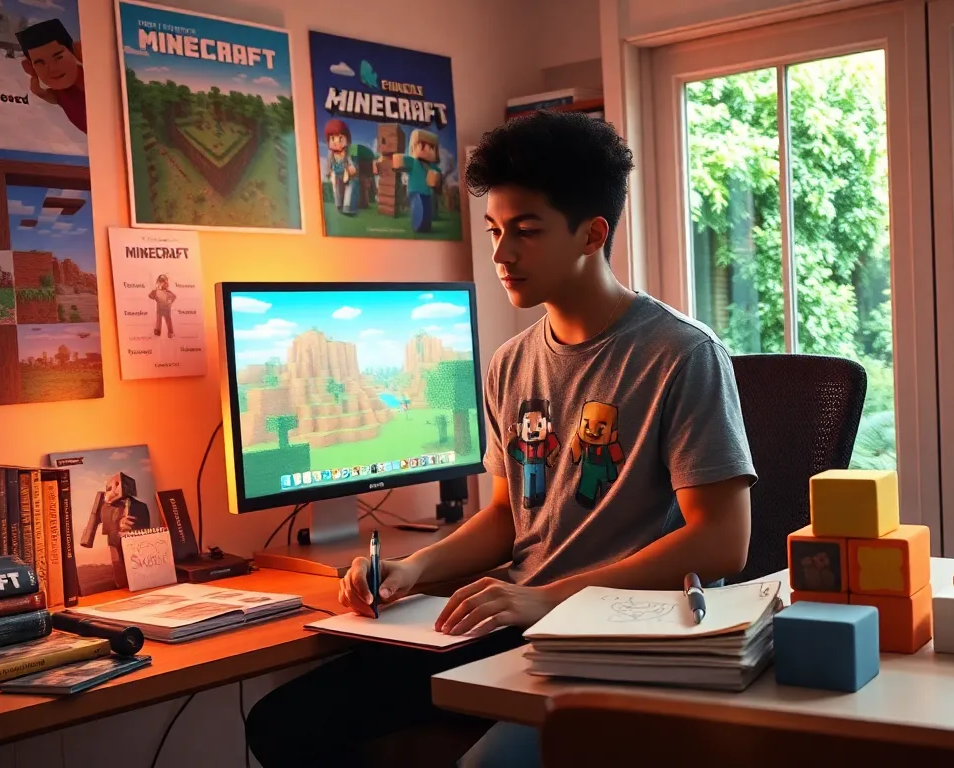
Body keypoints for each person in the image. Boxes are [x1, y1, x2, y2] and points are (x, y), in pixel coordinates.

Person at [245, 111, 756, 768]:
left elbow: (722, 540)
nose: (500, 254)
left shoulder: (681, 355)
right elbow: (504, 514)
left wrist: (542, 597)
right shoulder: (511, 363)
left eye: (526, 231)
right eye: (493, 231)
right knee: (284, 723)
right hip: (522, 621)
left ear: (591, 234)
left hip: (624, 637)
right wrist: (414, 568)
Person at [16, 19, 86, 134]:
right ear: (31, 67)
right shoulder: (60, 91)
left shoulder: (93, 81)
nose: (52, 68)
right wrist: (42, 93)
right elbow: (63, 100)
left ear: (74, 52)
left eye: (59, 57)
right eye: (40, 63)